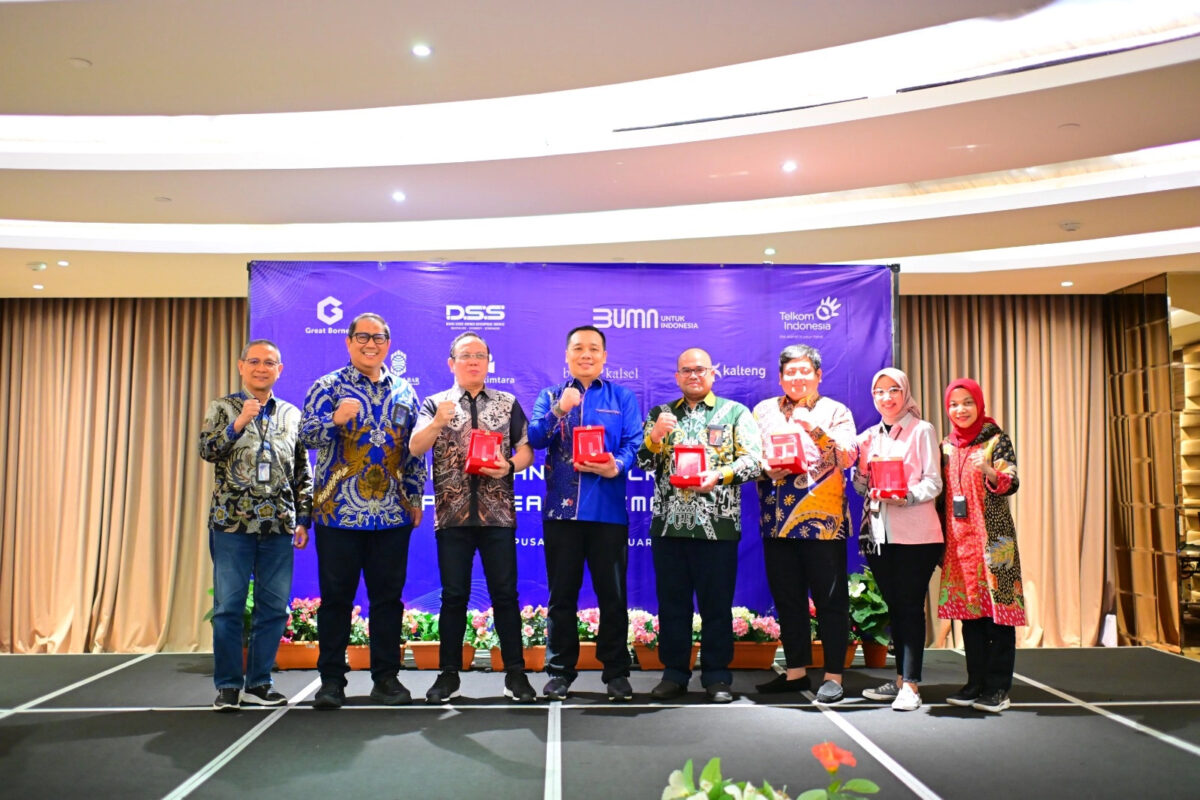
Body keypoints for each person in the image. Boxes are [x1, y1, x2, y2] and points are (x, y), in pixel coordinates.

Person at [300, 312, 427, 709]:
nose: (371, 344)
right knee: (336, 599)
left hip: (392, 513)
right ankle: (331, 681)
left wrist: (416, 495)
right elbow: (305, 436)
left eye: (379, 338)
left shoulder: (405, 390)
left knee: (388, 600)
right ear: (349, 341)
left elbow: (414, 450)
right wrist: (335, 420)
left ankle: (386, 678)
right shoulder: (327, 386)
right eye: (363, 337)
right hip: (338, 511)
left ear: (388, 343)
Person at [409, 332, 537, 704]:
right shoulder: (435, 403)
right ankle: (448, 675)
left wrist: (509, 465)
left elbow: (526, 450)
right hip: (453, 516)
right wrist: (437, 422)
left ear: (488, 362)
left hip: (498, 515)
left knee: (505, 596)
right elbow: (415, 447)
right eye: (466, 355)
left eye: (480, 355)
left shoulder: (507, 403)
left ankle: (516, 674)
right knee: (453, 597)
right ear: (452, 363)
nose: (473, 361)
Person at [638, 348, 762, 704]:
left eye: (700, 369)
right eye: (686, 370)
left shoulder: (735, 413)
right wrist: (655, 438)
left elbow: (754, 462)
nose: (693, 375)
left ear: (713, 373)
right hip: (669, 527)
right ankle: (674, 674)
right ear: (677, 376)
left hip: (717, 527)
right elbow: (643, 463)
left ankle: (717, 676)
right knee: (672, 605)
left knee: (716, 605)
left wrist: (719, 476)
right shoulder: (660, 414)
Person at [528, 325, 643, 702]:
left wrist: (617, 465)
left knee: (613, 596)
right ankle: (559, 672)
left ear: (604, 356)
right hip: (562, 514)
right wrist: (561, 409)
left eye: (594, 348)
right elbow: (535, 437)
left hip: (608, 512)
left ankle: (616, 672)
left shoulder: (622, 397)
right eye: (578, 348)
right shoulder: (550, 395)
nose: (586, 354)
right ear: (567, 355)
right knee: (561, 596)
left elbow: (634, 442)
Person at [199, 339, 311, 712]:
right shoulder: (222, 407)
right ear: (241, 366)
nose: (262, 368)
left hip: (278, 524)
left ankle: (260, 682)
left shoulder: (291, 414)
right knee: (229, 608)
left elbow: (301, 470)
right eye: (255, 361)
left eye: (269, 363)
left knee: (274, 608)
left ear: (280, 370)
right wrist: (239, 423)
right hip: (231, 524)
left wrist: (303, 518)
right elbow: (207, 450)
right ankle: (229, 685)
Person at [752, 344, 857, 705]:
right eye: (790, 372)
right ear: (780, 377)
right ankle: (795, 671)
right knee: (788, 599)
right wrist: (765, 469)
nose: (797, 378)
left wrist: (814, 429)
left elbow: (848, 456)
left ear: (818, 375)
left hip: (824, 525)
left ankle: (833, 675)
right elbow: (748, 457)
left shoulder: (835, 411)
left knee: (830, 601)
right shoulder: (763, 411)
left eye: (804, 371)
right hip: (776, 522)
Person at [851, 368, 943, 711]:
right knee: (895, 608)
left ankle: (912, 686)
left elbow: (934, 482)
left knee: (909, 608)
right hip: (879, 535)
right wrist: (862, 467)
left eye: (893, 390)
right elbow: (861, 488)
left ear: (905, 393)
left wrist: (906, 496)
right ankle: (902, 680)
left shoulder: (921, 430)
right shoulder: (869, 437)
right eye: (879, 391)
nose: (886, 397)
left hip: (916, 535)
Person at [938, 377, 1025, 714]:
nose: (960, 410)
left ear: (979, 404)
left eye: (967, 403)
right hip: (960, 543)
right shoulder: (946, 447)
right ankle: (974, 683)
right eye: (954, 404)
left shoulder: (996, 440)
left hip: (997, 540)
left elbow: (1011, 482)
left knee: (1000, 615)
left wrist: (989, 470)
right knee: (970, 617)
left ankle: (998, 687)